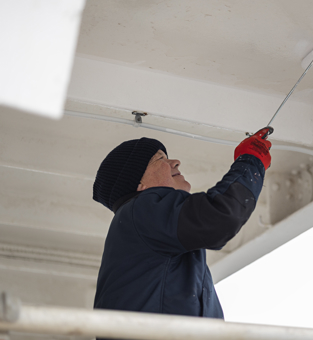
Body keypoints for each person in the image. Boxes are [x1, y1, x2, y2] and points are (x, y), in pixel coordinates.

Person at [92, 127, 272, 319]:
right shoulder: (141, 209)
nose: (176, 162)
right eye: (161, 159)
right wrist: (250, 161)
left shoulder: (139, 224)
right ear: (139, 185)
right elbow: (219, 217)